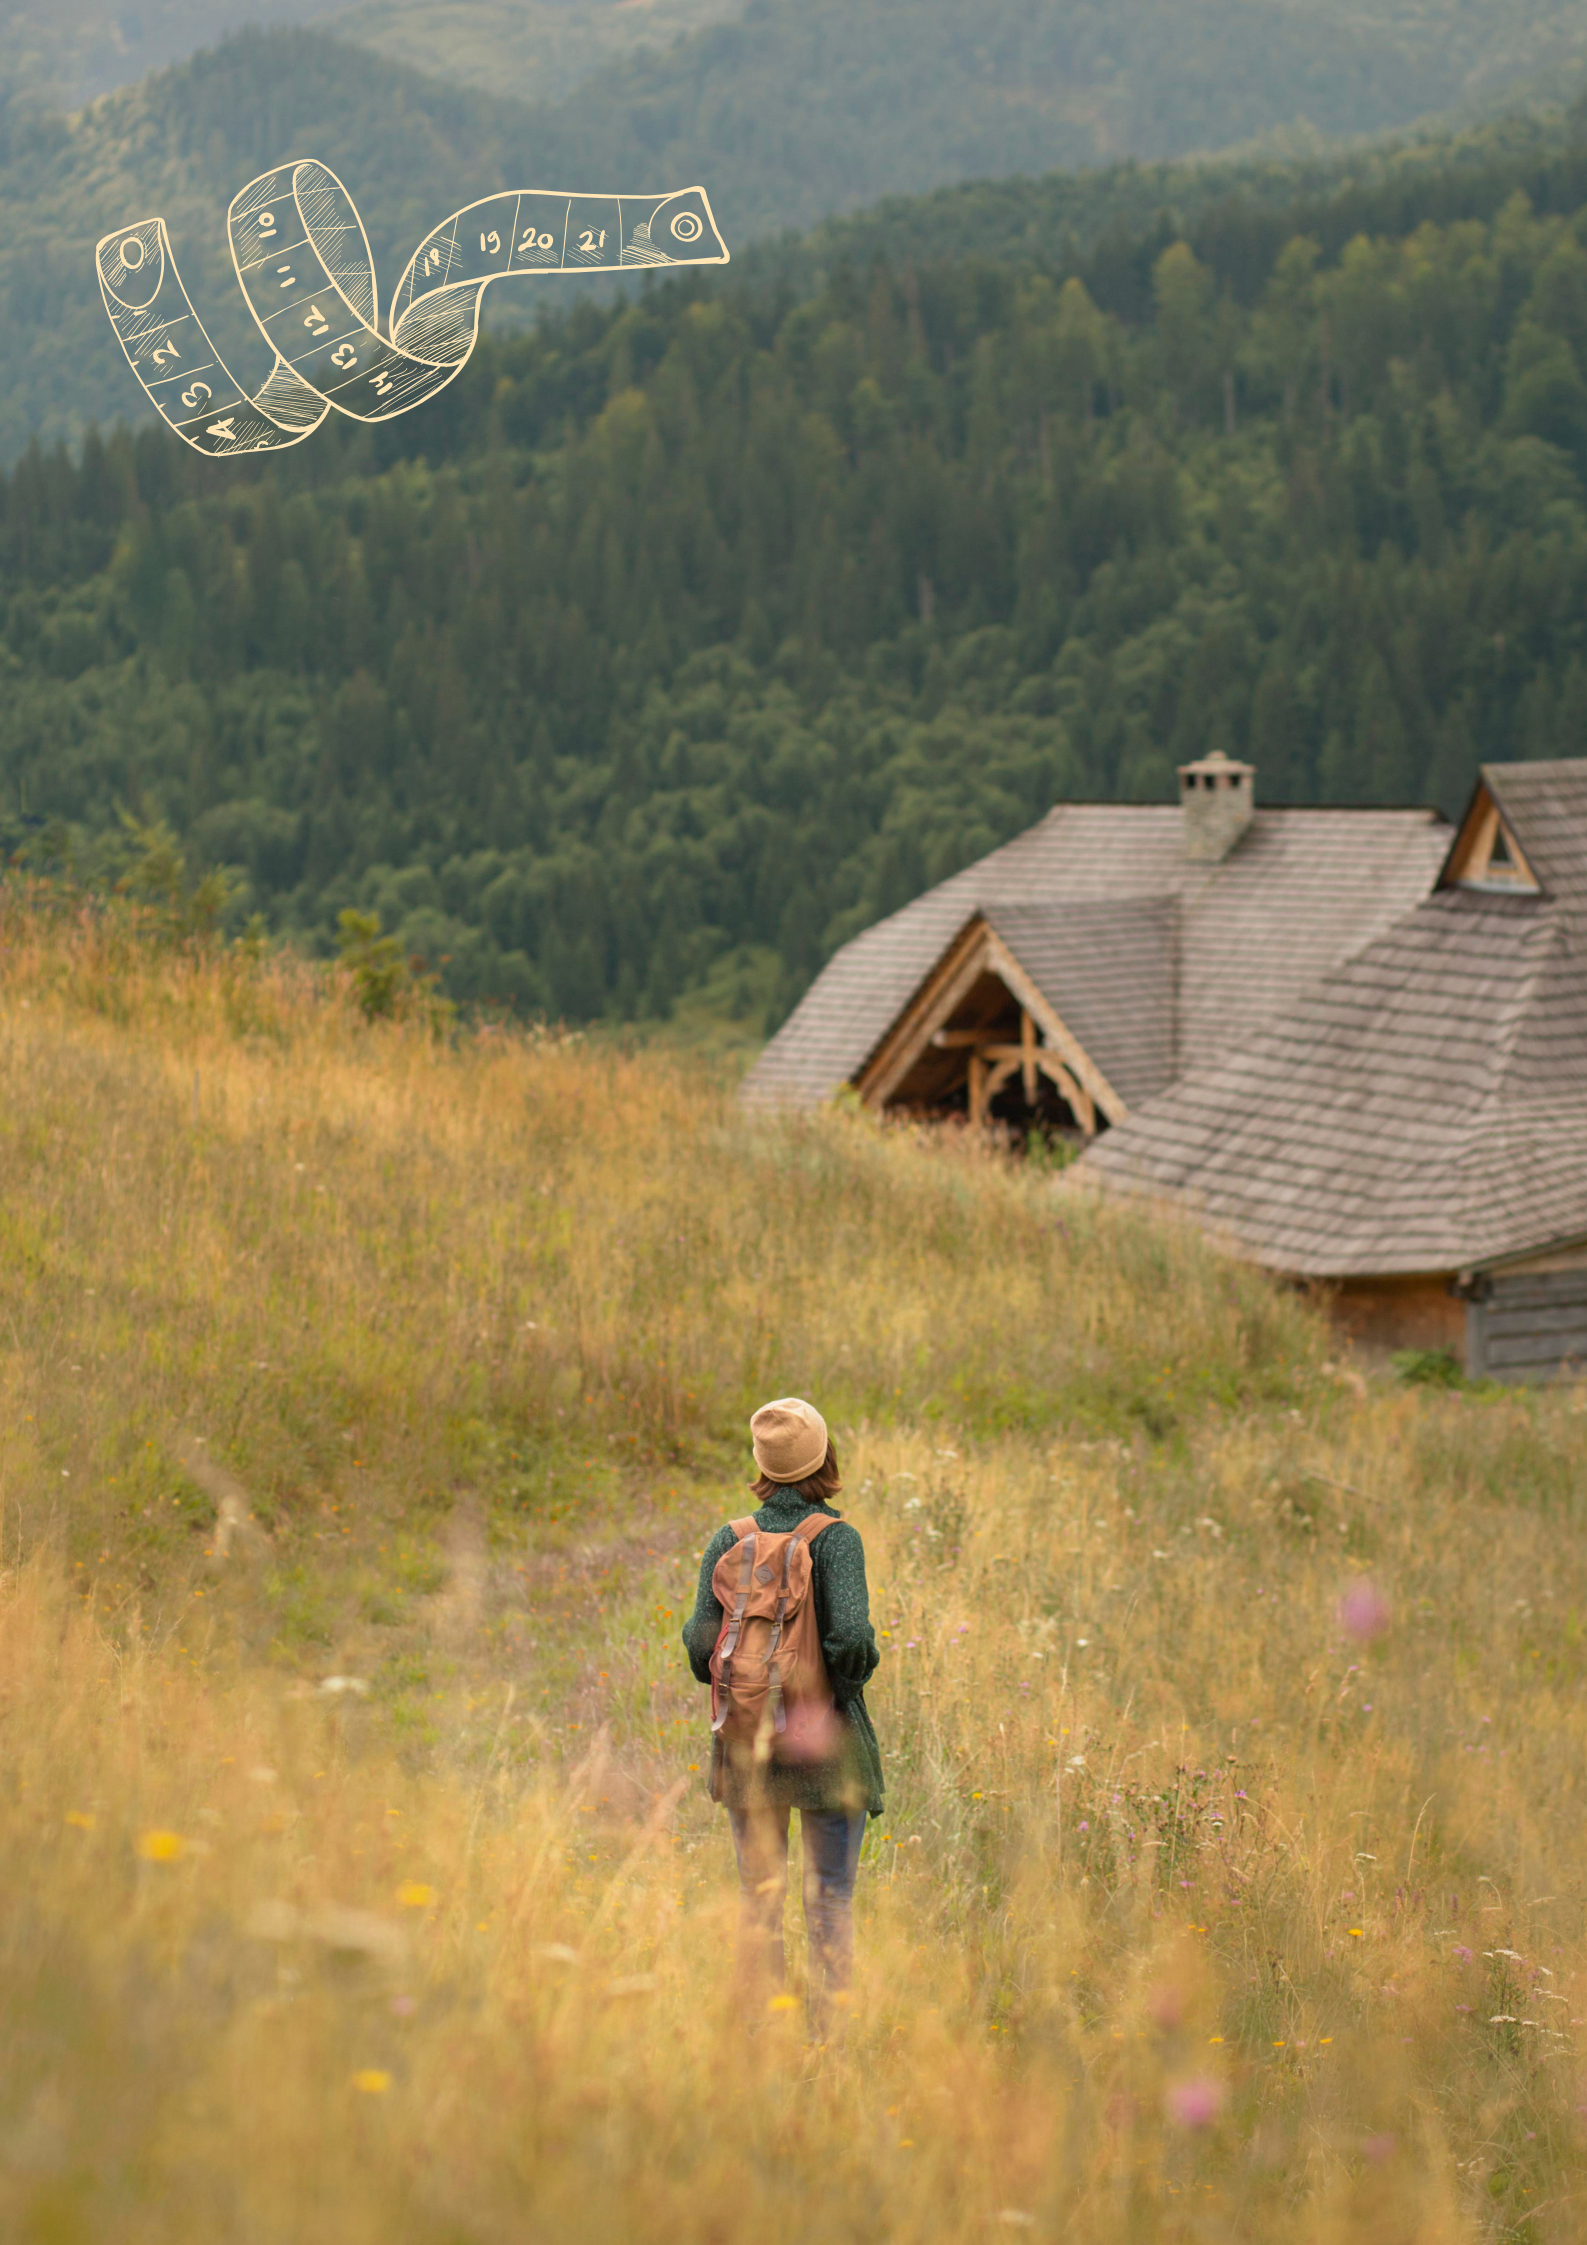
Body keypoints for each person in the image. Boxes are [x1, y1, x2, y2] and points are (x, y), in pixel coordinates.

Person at [682, 1397, 883, 2024]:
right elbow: (850, 1637)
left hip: (748, 1745)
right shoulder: (836, 1541)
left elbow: (697, 1641)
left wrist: (742, 1693)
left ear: (762, 1463)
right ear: (823, 1456)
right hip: (824, 1744)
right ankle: (830, 2036)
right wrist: (837, 1694)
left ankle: (764, 2029)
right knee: (829, 1903)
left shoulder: (731, 1538)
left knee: (758, 1898)